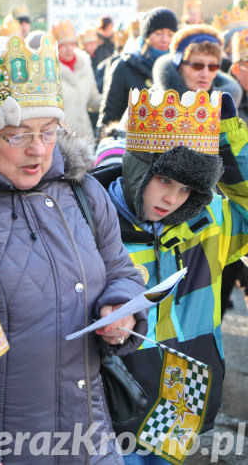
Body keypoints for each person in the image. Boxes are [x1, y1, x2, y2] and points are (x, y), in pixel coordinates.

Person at [0, 35, 147, 463]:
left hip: (91, 439)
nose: (38, 149)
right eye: (17, 136)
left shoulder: (82, 191)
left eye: (48, 132)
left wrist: (122, 309)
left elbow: (121, 272)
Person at [94, 87, 248, 464]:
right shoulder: (91, 226)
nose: (172, 199)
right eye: (163, 180)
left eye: (187, 189)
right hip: (115, 397)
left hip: (185, 398)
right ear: (138, 166)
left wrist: (229, 141)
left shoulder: (209, 223)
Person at [99, 7, 178, 130]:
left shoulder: (177, 67)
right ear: (146, 35)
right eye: (158, 33)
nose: (165, 40)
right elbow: (109, 114)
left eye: (170, 34)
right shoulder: (125, 66)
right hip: (130, 142)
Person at [152, 24, 241, 102]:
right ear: (180, 66)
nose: (205, 74)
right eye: (197, 66)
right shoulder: (154, 102)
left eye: (212, 67)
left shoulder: (226, 108)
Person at [51, 20, 101, 143]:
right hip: (61, 139)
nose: (68, 49)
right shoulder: (50, 70)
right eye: (63, 45)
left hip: (86, 137)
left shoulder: (85, 65)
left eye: (72, 44)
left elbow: (93, 100)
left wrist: (115, 99)